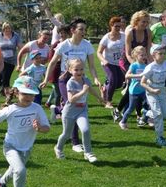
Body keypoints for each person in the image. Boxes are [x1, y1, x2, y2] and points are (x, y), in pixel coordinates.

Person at [40, 17, 101, 153]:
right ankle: (75, 142)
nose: (83, 32)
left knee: (77, 104)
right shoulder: (64, 45)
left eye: (85, 29)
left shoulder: (87, 45)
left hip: (80, 77)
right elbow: (52, 62)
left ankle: (57, 110)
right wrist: (46, 80)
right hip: (65, 78)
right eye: (81, 29)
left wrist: (95, 78)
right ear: (73, 30)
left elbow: (91, 66)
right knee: (71, 104)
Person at [53, 58, 104, 163]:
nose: (79, 72)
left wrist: (99, 98)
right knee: (66, 134)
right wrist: (83, 91)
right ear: (70, 70)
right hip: (69, 112)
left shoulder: (86, 80)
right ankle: (58, 148)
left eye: (81, 69)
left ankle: (88, 153)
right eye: (76, 70)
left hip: (82, 110)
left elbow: (90, 89)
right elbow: (71, 99)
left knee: (85, 130)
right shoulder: (70, 83)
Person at [113, 10, 152, 123]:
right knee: (135, 85)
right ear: (136, 21)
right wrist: (134, 65)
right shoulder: (130, 32)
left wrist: (151, 65)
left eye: (147, 22)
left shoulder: (148, 32)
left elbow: (148, 51)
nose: (145, 24)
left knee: (138, 88)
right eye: (143, 22)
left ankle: (120, 110)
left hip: (142, 60)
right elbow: (128, 53)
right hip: (127, 60)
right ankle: (138, 114)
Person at [140, 44, 166, 147]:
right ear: (153, 55)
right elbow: (142, 82)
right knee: (158, 114)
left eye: (164, 53)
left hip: (162, 91)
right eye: (160, 53)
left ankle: (147, 113)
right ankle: (160, 137)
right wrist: (152, 90)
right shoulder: (150, 67)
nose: (163, 55)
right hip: (151, 92)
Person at [97, 16, 127, 109]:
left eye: (119, 26)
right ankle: (108, 102)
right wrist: (104, 60)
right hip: (108, 63)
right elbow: (98, 52)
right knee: (113, 80)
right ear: (111, 26)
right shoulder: (106, 38)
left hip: (120, 63)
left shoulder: (124, 36)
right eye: (116, 26)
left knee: (119, 83)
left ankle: (105, 88)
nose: (118, 28)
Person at [119, 46, 147, 130]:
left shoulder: (146, 66)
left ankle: (144, 119)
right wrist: (138, 75)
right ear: (136, 56)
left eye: (145, 55)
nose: (144, 57)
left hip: (143, 90)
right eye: (142, 55)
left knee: (148, 105)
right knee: (131, 108)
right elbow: (127, 75)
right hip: (134, 91)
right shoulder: (134, 66)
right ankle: (123, 122)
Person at [0, 22, 23, 98]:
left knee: (6, 76)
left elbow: (20, 47)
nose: (7, 30)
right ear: (3, 28)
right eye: (6, 28)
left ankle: (5, 92)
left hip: (11, 60)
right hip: (0, 60)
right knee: (2, 77)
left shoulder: (15, 36)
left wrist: (22, 53)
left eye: (9, 28)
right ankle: (6, 94)